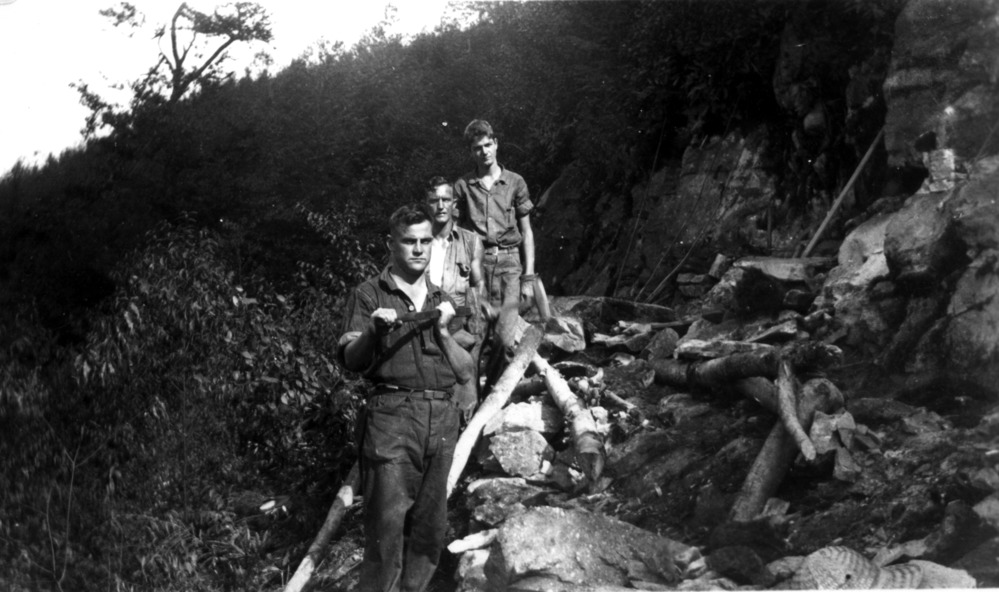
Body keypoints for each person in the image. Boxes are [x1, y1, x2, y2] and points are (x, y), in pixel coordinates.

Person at [337, 204, 474, 592]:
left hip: (441, 418)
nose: (418, 249)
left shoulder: (444, 299)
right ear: (390, 244)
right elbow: (351, 360)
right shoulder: (368, 295)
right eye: (409, 241)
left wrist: (445, 331)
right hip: (392, 417)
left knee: (430, 529)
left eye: (425, 241)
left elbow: (464, 371)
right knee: (386, 529)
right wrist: (372, 332)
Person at [454, 119, 537, 310]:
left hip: (510, 263)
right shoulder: (462, 185)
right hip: (477, 265)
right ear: (471, 152)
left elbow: (526, 232)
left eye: (488, 145)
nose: (484, 152)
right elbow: (454, 234)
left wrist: (529, 278)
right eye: (477, 148)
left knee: (505, 335)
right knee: (478, 330)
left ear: (496, 143)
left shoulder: (515, 182)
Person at [425, 175, 485, 415]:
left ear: (453, 204)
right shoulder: (417, 241)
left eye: (445, 199)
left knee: (464, 404)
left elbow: (476, 287)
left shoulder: (470, 241)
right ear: (426, 204)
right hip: (423, 329)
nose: (440, 206)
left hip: (457, 329)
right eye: (434, 200)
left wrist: (476, 330)